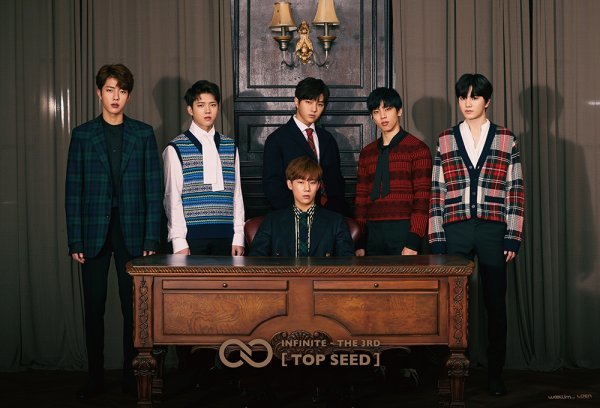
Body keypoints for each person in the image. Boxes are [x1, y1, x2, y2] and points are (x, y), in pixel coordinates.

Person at [65, 63, 162, 398]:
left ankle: (130, 378)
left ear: (128, 95)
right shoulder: (82, 135)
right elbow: (73, 190)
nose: (115, 96)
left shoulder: (143, 134)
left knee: (132, 309)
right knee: (94, 308)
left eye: (121, 91)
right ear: (99, 93)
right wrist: (75, 239)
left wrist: (151, 237)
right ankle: (94, 379)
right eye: (110, 90)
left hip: (132, 232)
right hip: (92, 231)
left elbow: (153, 189)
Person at [428, 73, 525, 396]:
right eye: (462, 97)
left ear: (487, 101)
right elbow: (437, 190)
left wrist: (512, 235)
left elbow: (515, 189)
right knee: (454, 305)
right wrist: (437, 237)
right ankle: (457, 373)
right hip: (455, 229)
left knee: (495, 304)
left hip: (493, 229)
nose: (467, 103)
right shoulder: (445, 139)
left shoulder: (505, 138)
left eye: (474, 97)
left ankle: (495, 375)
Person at [163, 80, 245, 256]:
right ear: (190, 110)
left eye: (212, 105)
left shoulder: (230, 146)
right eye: (201, 105)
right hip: (191, 238)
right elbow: (172, 198)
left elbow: (237, 194)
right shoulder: (176, 148)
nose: (208, 110)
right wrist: (178, 241)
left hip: (226, 236)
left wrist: (238, 236)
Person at [354, 87, 432, 256]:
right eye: (376, 112)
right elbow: (361, 200)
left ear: (399, 111)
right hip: (372, 233)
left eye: (388, 109)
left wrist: (413, 239)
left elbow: (422, 198)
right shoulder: (367, 153)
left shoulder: (418, 149)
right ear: (372, 116)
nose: (383, 116)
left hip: (404, 229)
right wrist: (359, 241)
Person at [262, 77, 350, 216]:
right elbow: (272, 185)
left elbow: (336, 181)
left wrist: (334, 213)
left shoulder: (327, 139)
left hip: (329, 215)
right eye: (308, 102)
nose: (314, 109)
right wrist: (299, 213)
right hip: (291, 216)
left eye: (320, 104)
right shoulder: (277, 139)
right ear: (296, 102)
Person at [250, 156, 354, 257]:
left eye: (312, 182)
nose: (307, 188)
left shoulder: (336, 221)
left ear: (318, 185)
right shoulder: (272, 221)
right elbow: (256, 260)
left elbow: (347, 261)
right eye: (301, 182)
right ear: (290, 184)